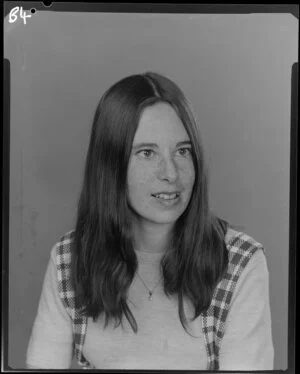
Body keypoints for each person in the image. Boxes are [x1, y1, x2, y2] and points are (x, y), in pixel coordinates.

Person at [26, 72, 274, 370]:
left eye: (183, 151)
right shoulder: (69, 260)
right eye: (147, 153)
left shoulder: (240, 262)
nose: (170, 173)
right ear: (111, 165)